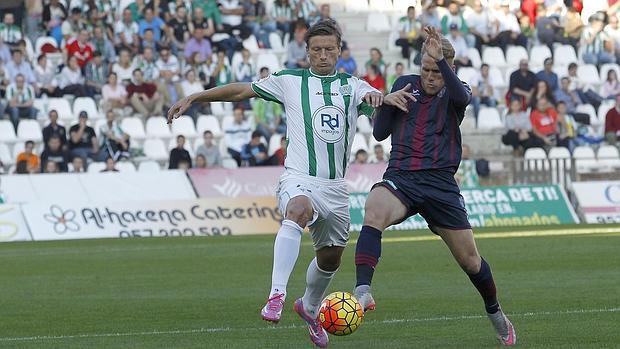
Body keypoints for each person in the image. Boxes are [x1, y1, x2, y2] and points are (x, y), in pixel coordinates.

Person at [167, 20, 382, 348]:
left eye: (329, 49)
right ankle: (277, 295)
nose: (323, 55)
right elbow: (242, 90)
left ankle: (309, 308)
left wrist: (381, 100)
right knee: (297, 209)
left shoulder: (354, 87)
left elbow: (377, 105)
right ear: (306, 52)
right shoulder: (290, 81)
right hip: (299, 177)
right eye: (316, 50)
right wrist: (197, 97)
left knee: (331, 259)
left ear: (339, 51)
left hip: (337, 187)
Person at [352, 27, 516, 346]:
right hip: (402, 176)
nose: (428, 77)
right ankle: (362, 292)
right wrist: (385, 103)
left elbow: (462, 97)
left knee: (471, 261)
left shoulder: (457, 90)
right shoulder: (405, 84)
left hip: (441, 184)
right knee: (373, 210)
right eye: (425, 69)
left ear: (447, 69)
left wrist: (442, 62)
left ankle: (495, 312)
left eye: (435, 71)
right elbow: (379, 134)